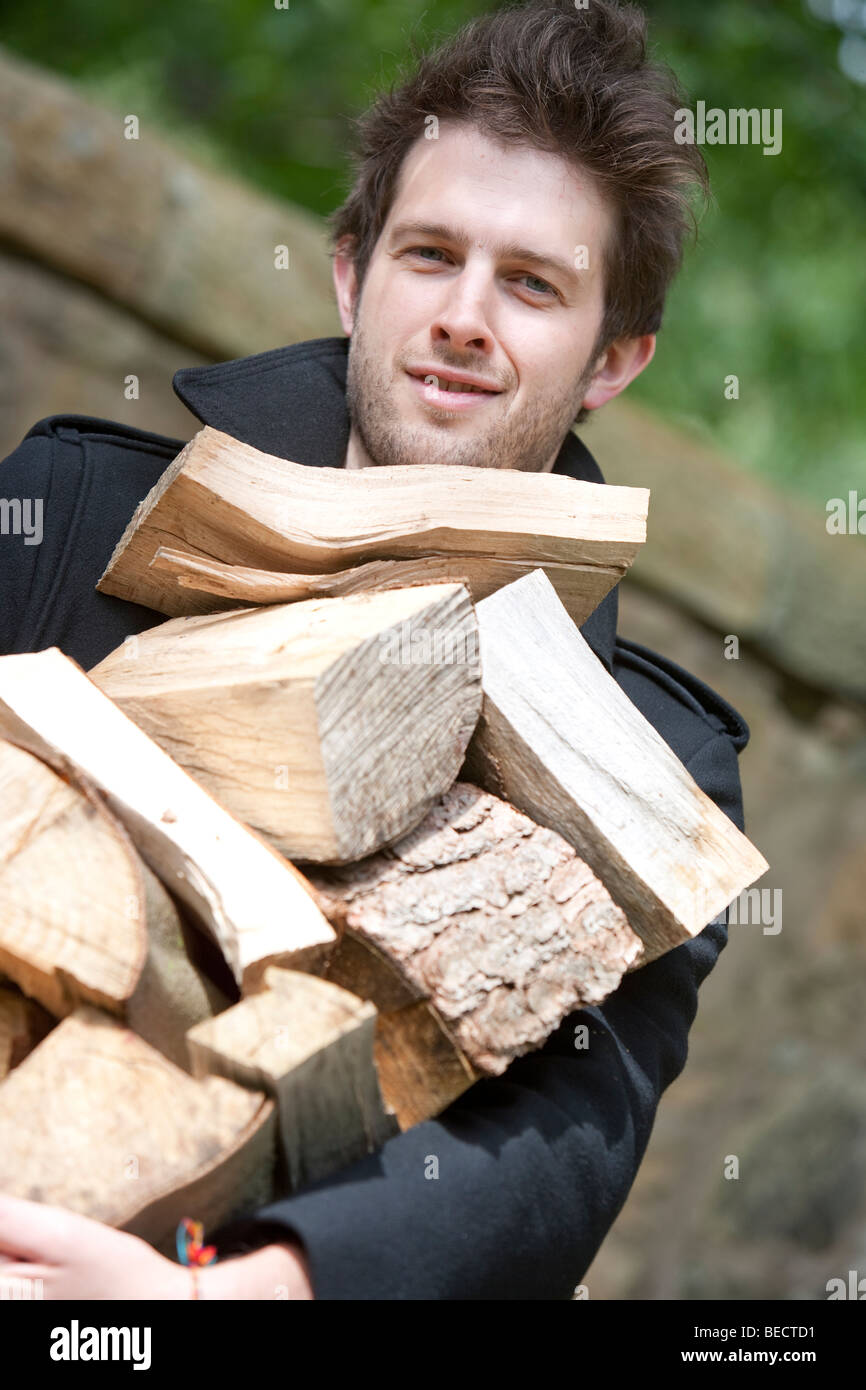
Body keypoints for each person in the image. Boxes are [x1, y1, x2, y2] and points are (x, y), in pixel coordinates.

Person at [0, 0, 752, 1300]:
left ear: (613, 359)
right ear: (353, 274)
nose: (465, 315)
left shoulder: (660, 764)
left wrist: (231, 1297)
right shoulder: (64, 509)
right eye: (429, 255)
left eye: (531, 284)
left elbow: (551, 1150)